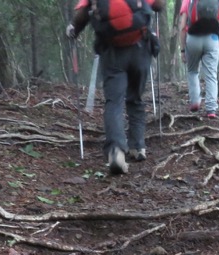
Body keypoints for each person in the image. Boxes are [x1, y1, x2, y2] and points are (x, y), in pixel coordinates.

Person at [66, 0, 164, 175]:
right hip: (139, 48)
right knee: (136, 97)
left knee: (114, 102)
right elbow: (159, 5)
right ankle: (138, 146)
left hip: (111, 52)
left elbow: (82, 16)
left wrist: (72, 28)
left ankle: (116, 151)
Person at [178, 0, 219, 119]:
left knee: (192, 71)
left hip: (193, 38)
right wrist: (218, 45)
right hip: (213, 39)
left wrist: (183, 50)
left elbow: (183, 26)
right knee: (211, 75)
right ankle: (211, 109)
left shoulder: (188, 1)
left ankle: (195, 102)